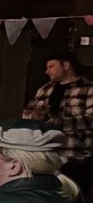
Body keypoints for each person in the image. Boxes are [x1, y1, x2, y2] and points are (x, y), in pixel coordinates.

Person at [23, 44, 93, 185]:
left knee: (72, 195)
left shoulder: (88, 89)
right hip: (45, 156)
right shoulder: (45, 89)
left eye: (51, 66)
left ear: (66, 65)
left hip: (74, 157)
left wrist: (58, 122)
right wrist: (35, 116)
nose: (47, 71)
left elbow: (90, 121)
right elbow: (26, 114)